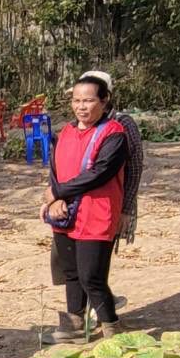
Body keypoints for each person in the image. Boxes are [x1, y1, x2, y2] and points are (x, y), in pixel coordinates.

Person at [41, 74, 130, 344]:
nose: (82, 106)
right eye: (76, 100)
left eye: (89, 100)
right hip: (65, 214)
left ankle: (112, 327)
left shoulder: (114, 133)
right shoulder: (65, 132)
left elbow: (100, 173)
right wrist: (54, 200)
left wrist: (57, 193)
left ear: (103, 101)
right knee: (72, 274)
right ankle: (74, 324)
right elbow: (55, 171)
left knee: (92, 276)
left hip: (97, 213)